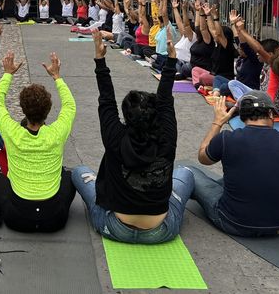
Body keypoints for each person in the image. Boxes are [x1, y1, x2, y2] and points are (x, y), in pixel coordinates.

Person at [71, 29, 194, 244]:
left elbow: (106, 101)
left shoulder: (115, 137)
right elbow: (165, 101)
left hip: (116, 227)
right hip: (161, 230)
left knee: (79, 172)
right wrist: (171, 62)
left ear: (127, 117)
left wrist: (100, 61)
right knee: (186, 174)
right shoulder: (167, 135)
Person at [188, 92, 279, 237]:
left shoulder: (227, 138)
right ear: (270, 113)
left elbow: (203, 158)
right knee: (248, 177)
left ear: (242, 117)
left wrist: (218, 122)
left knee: (188, 172)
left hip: (233, 222)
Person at [0, 50, 77, 232]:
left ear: (22, 109)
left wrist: (7, 74)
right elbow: (69, 105)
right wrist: (57, 77)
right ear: (49, 109)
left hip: (17, 218)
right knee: (69, 176)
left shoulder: (13, 133)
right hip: (54, 219)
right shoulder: (56, 133)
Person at [191, 3, 237, 89]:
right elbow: (211, 29)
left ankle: (202, 86)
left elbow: (219, 34)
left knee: (203, 77)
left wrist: (216, 17)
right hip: (213, 74)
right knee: (195, 70)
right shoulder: (217, 42)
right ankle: (199, 86)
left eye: (218, 34)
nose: (215, 34)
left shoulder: (227, 47)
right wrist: (206, 14)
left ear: (225, 37)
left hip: (223, 78)